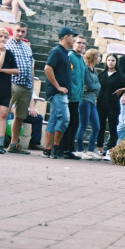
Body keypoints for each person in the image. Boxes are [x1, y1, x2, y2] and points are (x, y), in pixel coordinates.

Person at [42, 27, 77, 159]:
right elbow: (47, 68)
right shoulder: (56, 51)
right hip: (57, 92)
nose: (73, 39)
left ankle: (47, 149)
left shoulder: (63, 52)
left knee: (54, 119)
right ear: (65, 37)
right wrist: (58, 86)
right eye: (72, 36)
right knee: (64, 118)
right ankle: (55, 147)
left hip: (60, 92)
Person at [5, 22, 35, 154]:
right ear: (13, 31)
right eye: (18, 31)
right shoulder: (7, 45)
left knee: (20, 116)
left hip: (26, 85)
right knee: (3, 113)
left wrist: (32, 86)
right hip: (12, 82)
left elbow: (31, 67)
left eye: (23, 31)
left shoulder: (27, 48)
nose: (20, 33)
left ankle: (14, 144)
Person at [97, 53, 125, 157]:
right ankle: (99, 150)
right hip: (101, 104)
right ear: (106, 62)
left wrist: (121, 90)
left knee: (113, 128)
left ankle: (110, 150)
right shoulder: (101, 75)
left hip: (113, 106)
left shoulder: (120, 76)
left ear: (116, 62)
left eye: (113, 60)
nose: (110, 62)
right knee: (100, 127)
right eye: (109, 60)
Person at [58, 35, 86, 159]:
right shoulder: (70, 56)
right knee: (68, 122)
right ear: (73, 43)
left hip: (77, 96)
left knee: (75, 122)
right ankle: (63, 148)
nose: (81, 45)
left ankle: (69, 147)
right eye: (79, 42)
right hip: (69, 95)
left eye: (83, 43)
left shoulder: (81, 59)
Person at [77, 48, 102, 159]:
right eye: (98, 56)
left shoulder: (94, 70)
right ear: (93, 57)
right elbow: (92, 85)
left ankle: (90, 150)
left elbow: (97, 86)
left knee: (96, 126)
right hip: (84, 99)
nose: (100, 59)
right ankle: (79, 150)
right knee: (83, 125)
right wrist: (96, 86)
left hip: (92, 100)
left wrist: (96, 86)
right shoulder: (86, 69)